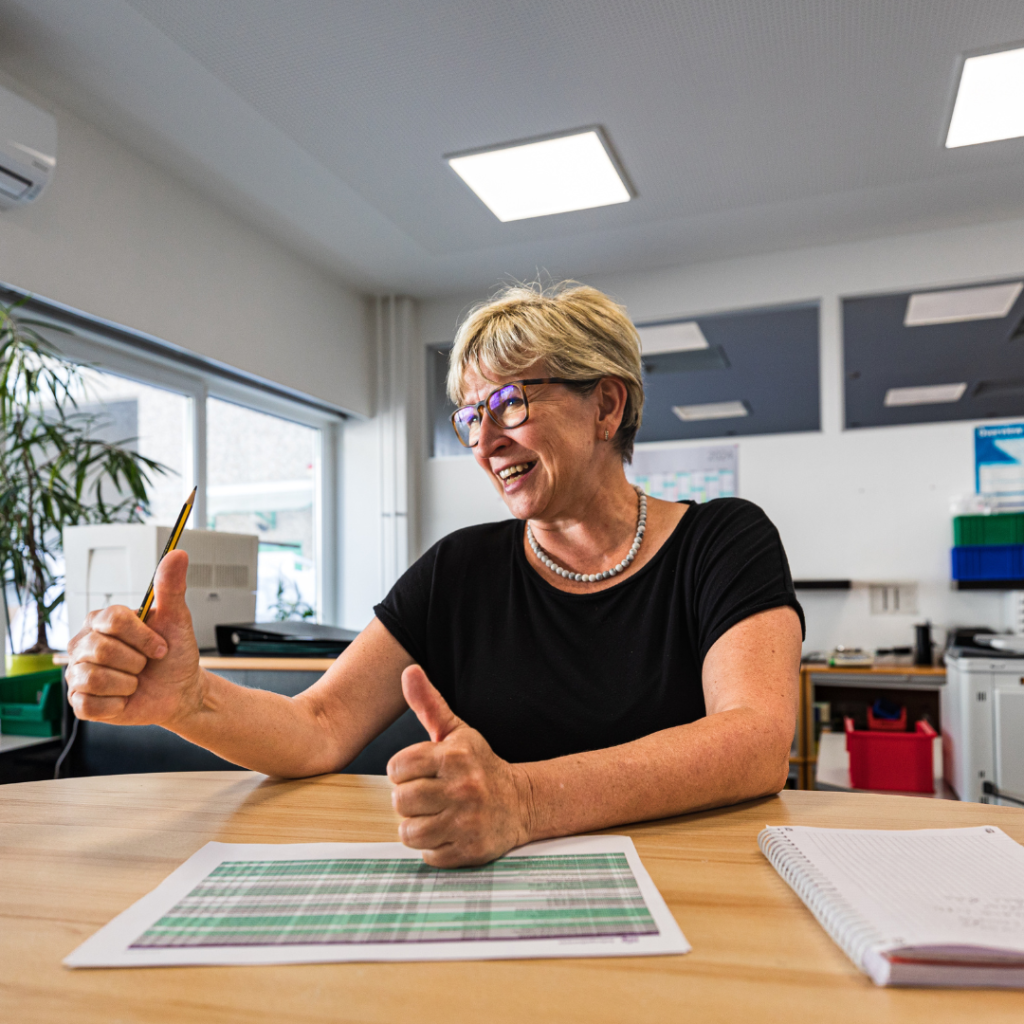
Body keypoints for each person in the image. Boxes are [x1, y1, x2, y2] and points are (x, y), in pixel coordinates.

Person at [66, 283, 804, 868]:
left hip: (697, 891)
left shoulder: (723, 540)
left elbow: (755, 739)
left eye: (511, 402)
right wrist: (188, 701)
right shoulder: (459, 571)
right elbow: (317, 728)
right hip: (499, 897)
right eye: (470, 416)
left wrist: (524, 801)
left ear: (605, 404)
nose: (484, 440)